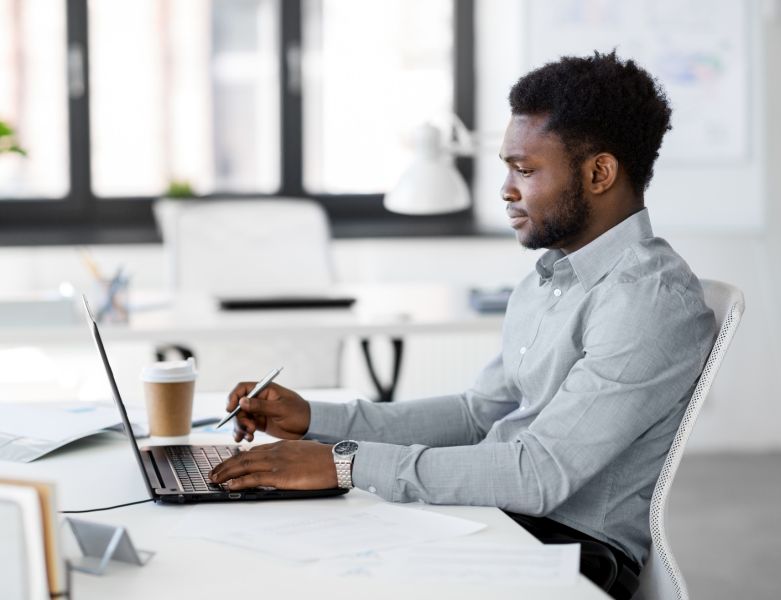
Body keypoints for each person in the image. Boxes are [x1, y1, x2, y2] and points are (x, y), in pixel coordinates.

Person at [209, 51, 716, 600]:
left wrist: (342, 463)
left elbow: (539, 475)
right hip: (497, 519)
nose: (505, 189)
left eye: (524, 170)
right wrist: (317, 420)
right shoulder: (550, 278)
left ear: (599, 173)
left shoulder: (649, 300)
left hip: (569, 555)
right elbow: (478, 415)